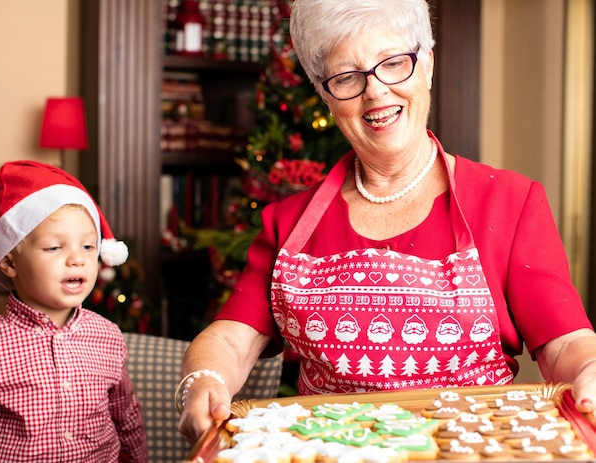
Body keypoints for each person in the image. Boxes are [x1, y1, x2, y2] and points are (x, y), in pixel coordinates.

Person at [177, 0, 596, 443]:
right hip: (334, 452)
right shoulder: (290, 220)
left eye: (394, 63)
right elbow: (229, 341)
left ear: (428, 65)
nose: (375, 92)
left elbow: (565, 344)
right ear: (324, 92)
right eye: (347, 77)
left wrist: (590, 371)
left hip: (467, 450)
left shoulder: (509, 202)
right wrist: (202, 381)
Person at [0, 161, 148, 462]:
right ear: (10, 263)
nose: (77, 259)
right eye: (55, 248)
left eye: (89, 247)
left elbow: (127, 418)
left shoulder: (107, 336)